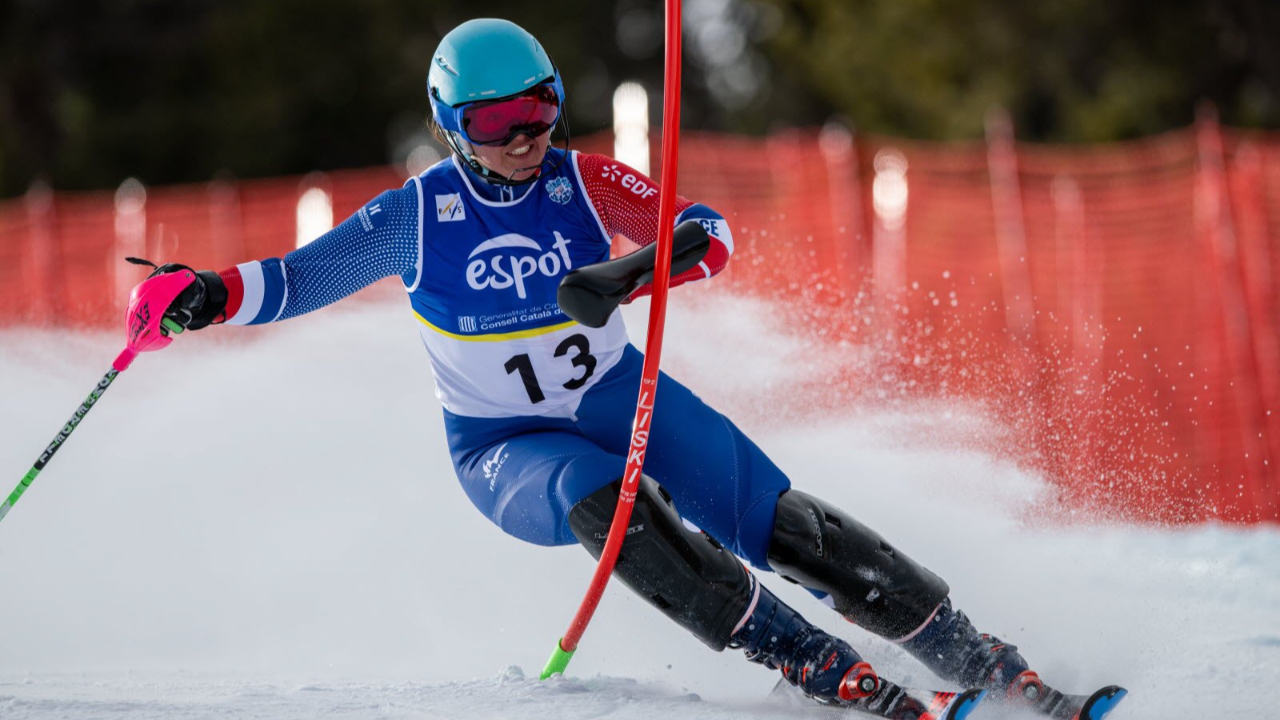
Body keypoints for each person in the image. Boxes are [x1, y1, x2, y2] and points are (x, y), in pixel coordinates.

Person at [149, 17, 1060, 713]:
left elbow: (709, 232)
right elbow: (301, 278)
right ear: (449, 126)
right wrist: (206, 294)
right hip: (508, 447)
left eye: (539, 109)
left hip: (621, 396)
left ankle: (978, 659)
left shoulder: (583, 184)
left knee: (780, 524)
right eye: (495, 121)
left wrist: (628, 272)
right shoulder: (417, 215)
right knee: (611, 505)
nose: (523, 136)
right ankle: (818, 667)